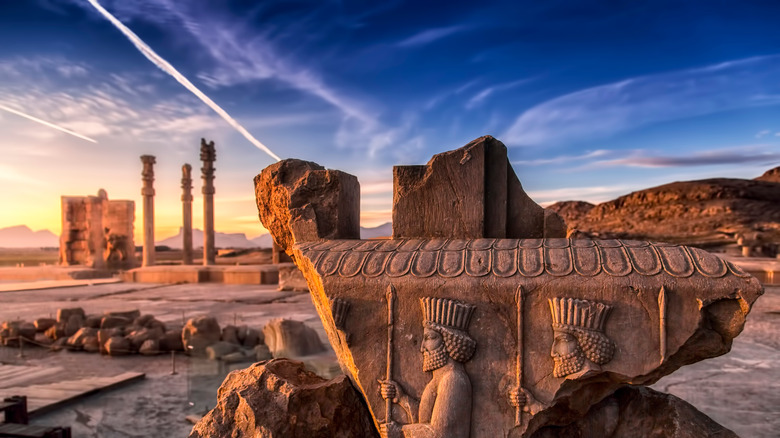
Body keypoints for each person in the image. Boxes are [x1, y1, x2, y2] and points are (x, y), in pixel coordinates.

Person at [379, 297, 476, 438]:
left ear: (449, 342)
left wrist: (400, 432)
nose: (422, 348)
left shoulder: (453, 380)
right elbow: (425, 421)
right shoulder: (438, 380)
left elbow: (440, 433)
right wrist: (401, 399)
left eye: (430, 338)